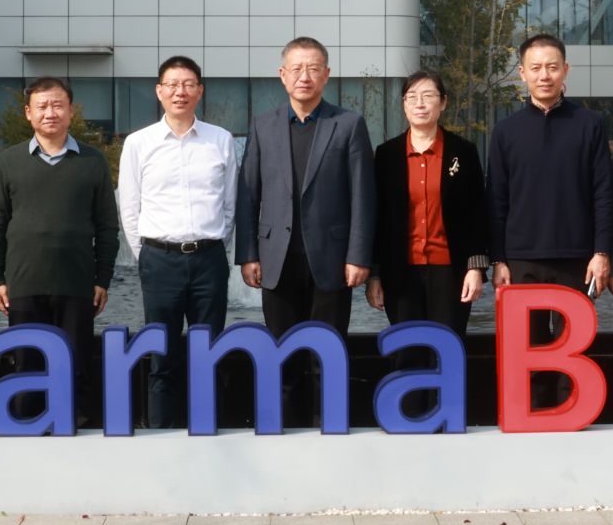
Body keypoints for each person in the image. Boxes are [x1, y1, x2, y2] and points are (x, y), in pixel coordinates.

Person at [236, 36, 376, 426]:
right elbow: (248, 194)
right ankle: (288, 432)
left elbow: (363, 195)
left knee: (328, 355)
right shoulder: (263, 125)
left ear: (326, 75)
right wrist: (248, 254)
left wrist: (359, 255)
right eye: (296, 69)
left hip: (332, 261)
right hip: (276, 261)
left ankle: (330, 429)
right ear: (282, 75)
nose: (304, 76)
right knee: (283, 356)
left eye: (313, 68)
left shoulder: (348, 124)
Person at [0, 77, 119, 427]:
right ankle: (26, 429)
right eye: (42, 106)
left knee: (76, 364)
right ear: (28, 113)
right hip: (23, 283)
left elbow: (107, 227)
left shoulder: (93, 161)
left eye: (58, 105)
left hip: (77, 283)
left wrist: (102, 279)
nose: (50, 113)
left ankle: (74, 431)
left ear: (71, 111)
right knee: (27, 364)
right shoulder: (8, 161)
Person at [486, 34, 613, 390]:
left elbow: (604, 193)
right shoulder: (505, 131)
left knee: (573, 353)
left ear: (565, 70)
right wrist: (498, 259)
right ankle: (532, 414)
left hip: (577, 258)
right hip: (521, 260)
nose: (544, 75)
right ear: (522, 73)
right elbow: (496, 200)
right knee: (526, 352)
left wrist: (602, 252)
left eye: (552, 67)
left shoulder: (590, 124)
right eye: (536, 68)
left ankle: (569, 413)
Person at [116, 55, 238, 428]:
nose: (179, 92)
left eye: (187, 84)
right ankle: (161, 435)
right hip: (160, 261)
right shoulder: (139, 143)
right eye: (171, 84)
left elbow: (230, 205)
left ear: (199, 91)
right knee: (161, 355)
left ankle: (208, 430)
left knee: (209, 352)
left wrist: (215, 248)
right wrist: (148, 256)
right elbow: (129, 208)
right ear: (159, 91)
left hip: (208, 260)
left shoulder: (220, 139)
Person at [366, 69, 488, 336]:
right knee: (407, 348)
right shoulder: (386, 155)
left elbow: (477, 213)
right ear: (404, 105)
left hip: (451, 272)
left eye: (428, 96)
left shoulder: (463, 151)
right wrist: (374, 274)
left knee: (448, 347)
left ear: (443, 102)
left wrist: (475, 267)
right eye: (412, 97)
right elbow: (378, 219)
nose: (419, 103)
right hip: (400, 272)